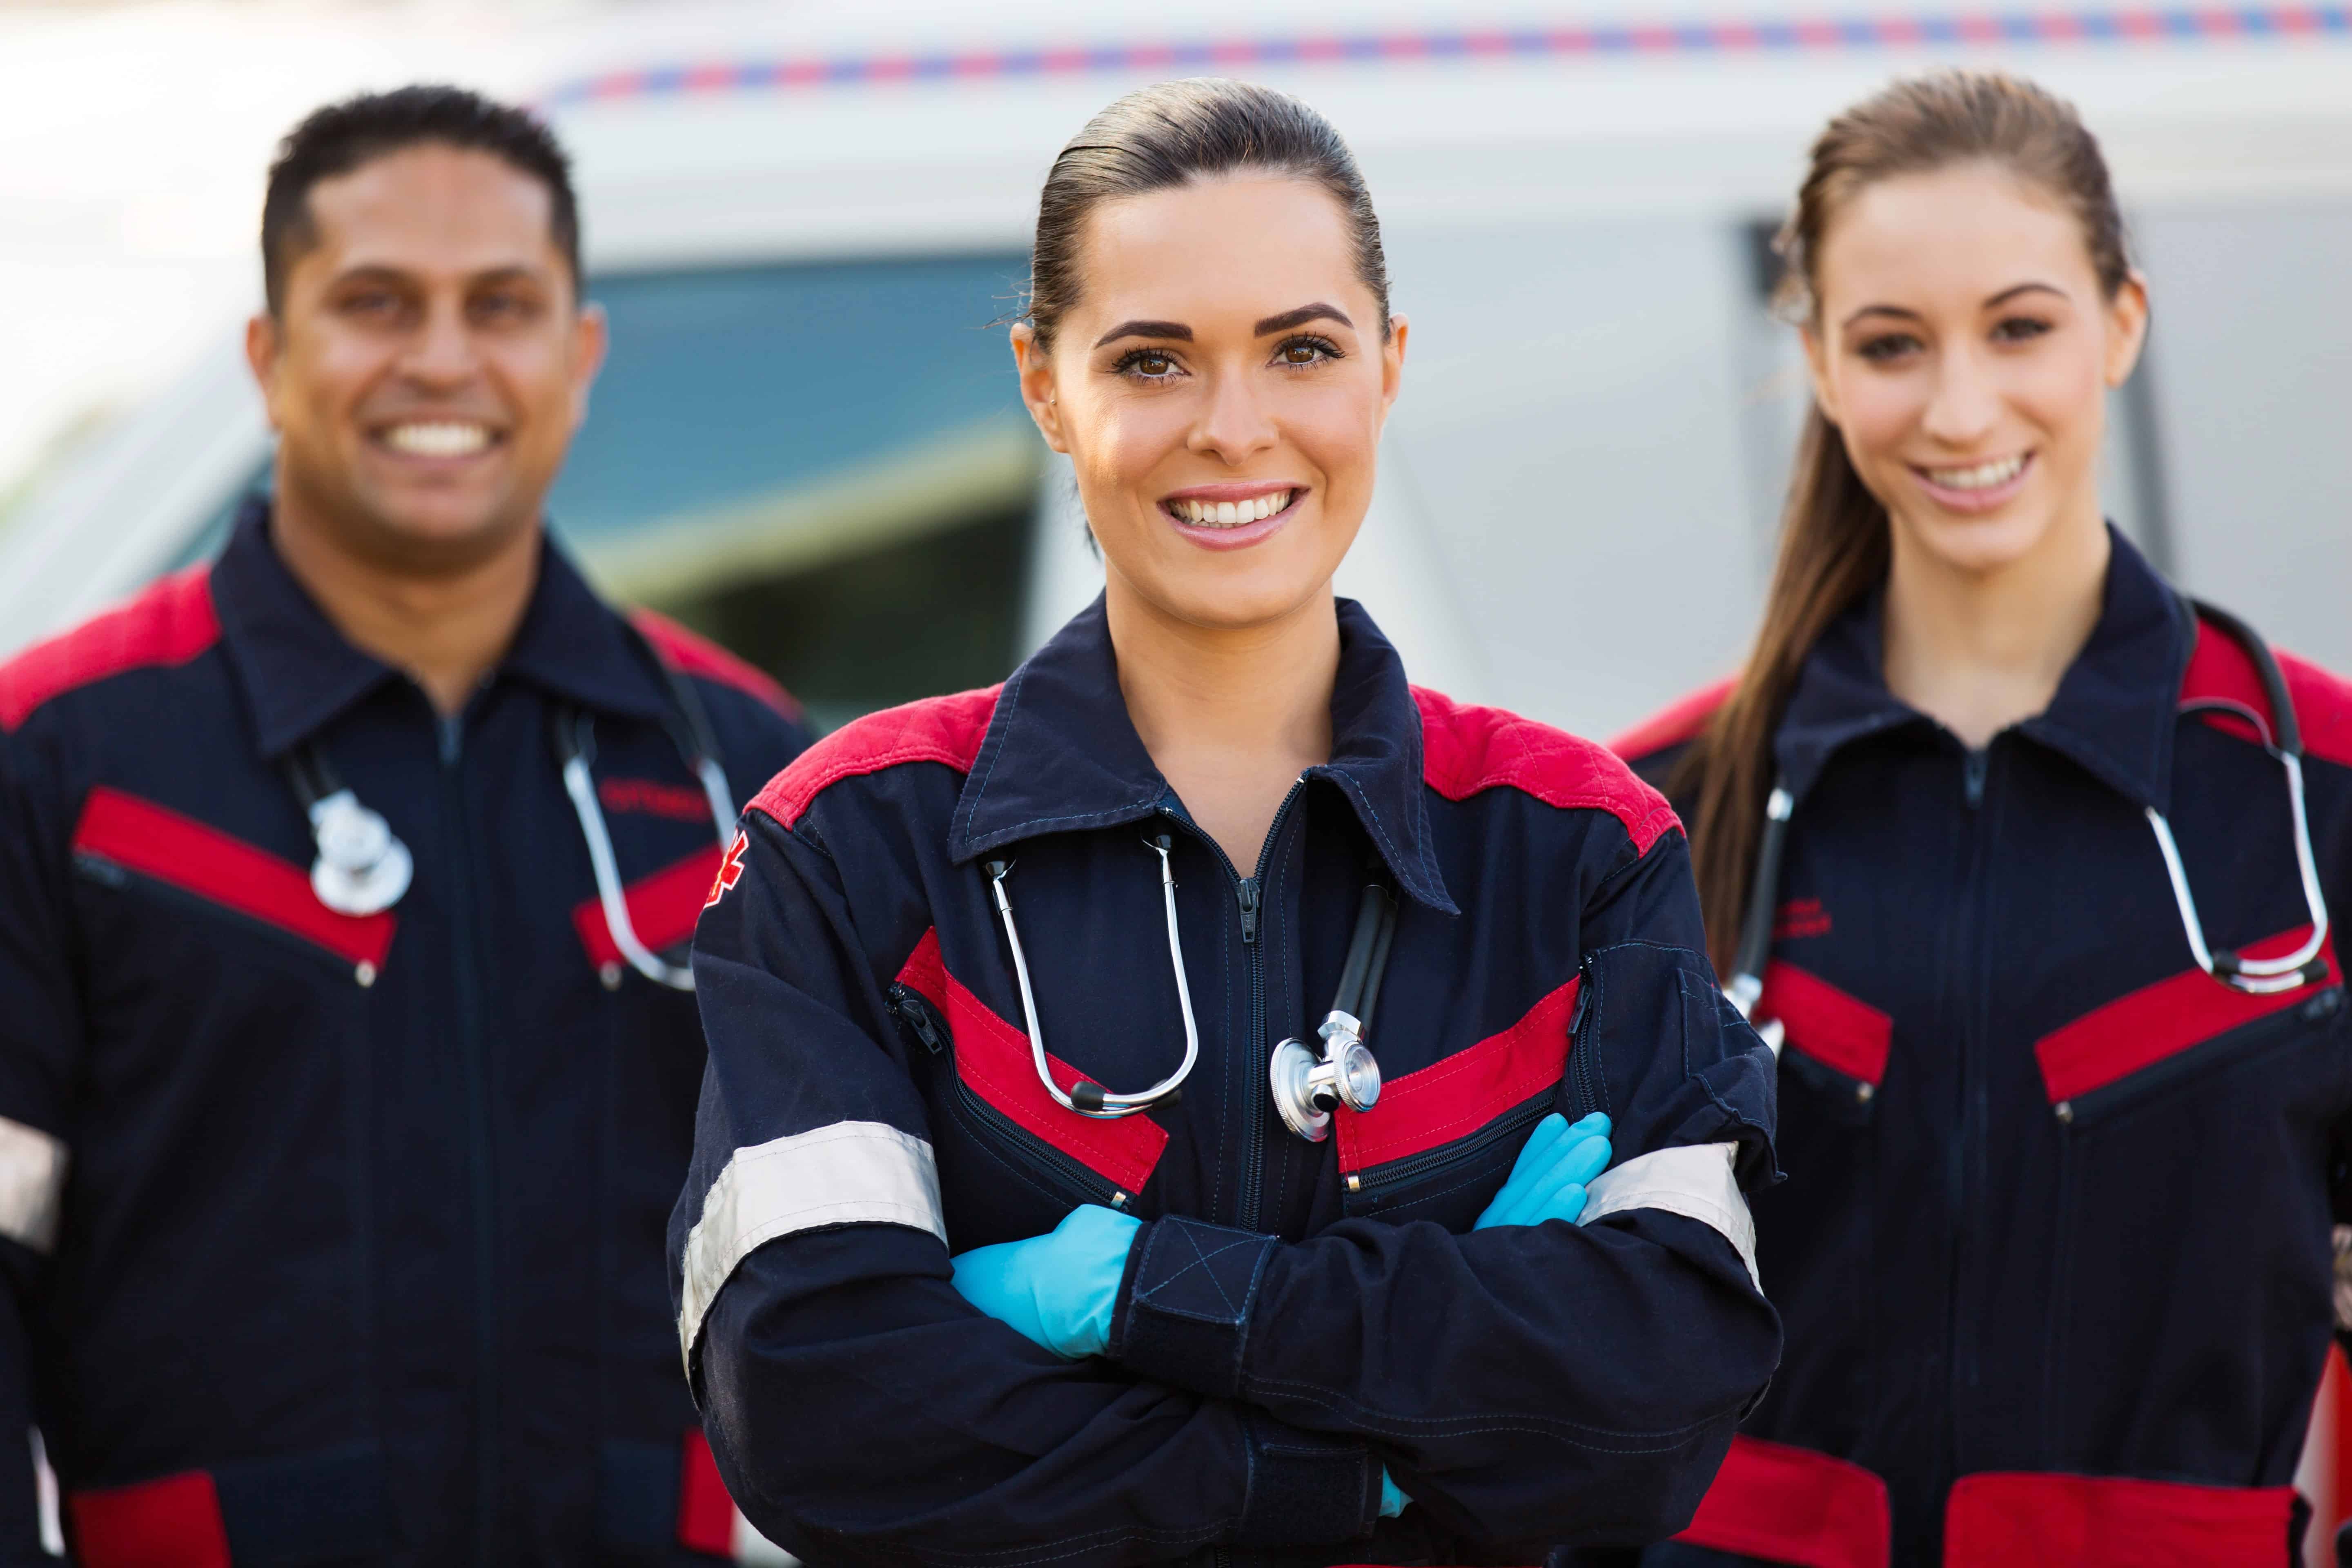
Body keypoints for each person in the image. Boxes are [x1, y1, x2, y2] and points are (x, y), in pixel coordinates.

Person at [672, 77, 1781, 1568]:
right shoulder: (853, 847)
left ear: (1387, 367)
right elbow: (823, 1415)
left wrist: (1141, 1291)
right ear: (1043, 387)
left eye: (1302, 350)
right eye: (1152, 360)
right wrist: (1376, 1454)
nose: (1234, 428)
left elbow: (1659, 1391)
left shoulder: (1577, 847)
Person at [0, 87, 808, 1565]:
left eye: (499, 305)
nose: (443, 358)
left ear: (578, 357)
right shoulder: (59, 763)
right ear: (270, 356)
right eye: (376, 302)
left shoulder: (752, 772)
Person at [1612, 70, 2352, 1568]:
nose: (1961, 409)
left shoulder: (2319, 796)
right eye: (1892, 344)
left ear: (2121, 324)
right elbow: (1554, 1345)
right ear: (1819, 359)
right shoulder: (1648, 815)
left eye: (2021, 328)